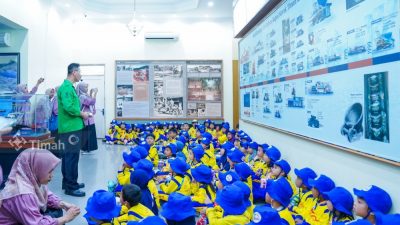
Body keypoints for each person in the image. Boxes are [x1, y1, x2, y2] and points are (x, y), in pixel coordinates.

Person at [0, 148, 80, 224]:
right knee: (56, 216)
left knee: (56, 210)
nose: (51, 176)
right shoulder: (23, 193)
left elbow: (46, 195)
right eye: (49, 171)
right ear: (36, 168)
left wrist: (62, 204)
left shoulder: (30, 180)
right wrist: (66, 218)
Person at [58, 63, 90, 197]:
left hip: (70, 127)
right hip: (70, 128)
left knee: (68, 157)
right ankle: (71, 187)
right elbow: (68, 107)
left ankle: (68, 183)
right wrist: (82, 114)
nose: (81, 74)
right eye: (80, 72)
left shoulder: (69, 87)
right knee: (71, 157)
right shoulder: (66, 87)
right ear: (74, 72)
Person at [77, 81, 98, 154]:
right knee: (86, 135)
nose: (87, 88)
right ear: (81, 88)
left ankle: (89, 149)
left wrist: (91, 93)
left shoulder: (85, 95)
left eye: (87, 87)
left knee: (90, 134)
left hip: (90, 119)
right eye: (85, 87)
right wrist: (95, 94)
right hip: (85, 119)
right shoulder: (81, 96)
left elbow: (91, 103)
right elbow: (91, 102)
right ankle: (85, 149)